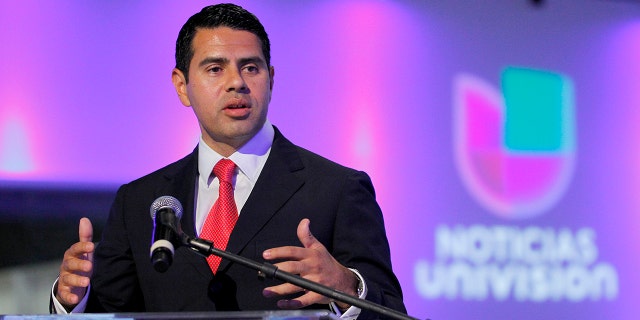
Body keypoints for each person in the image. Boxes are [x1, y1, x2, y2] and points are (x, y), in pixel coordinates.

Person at [51, 3, 406, 319]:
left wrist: (348, 289)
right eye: (215, 69)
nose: (237, 82)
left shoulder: (338, 190)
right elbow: (113, 313)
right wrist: (74, 300)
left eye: (251, 67)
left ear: (271, 79)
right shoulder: (139, 202)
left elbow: (390, 313)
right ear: (181, 86)